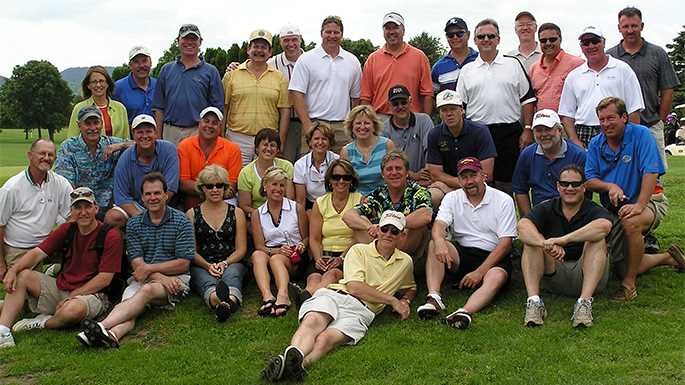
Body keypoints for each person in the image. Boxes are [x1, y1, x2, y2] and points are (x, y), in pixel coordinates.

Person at [262, 210, 416, 382]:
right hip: (336, 295)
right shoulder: (359, 250)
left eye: (394, 231)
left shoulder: (405, 261)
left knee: (326, 339)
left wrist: (405, 300)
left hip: (361, 312)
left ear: (402, 235)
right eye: (385, 228)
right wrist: (392, 300)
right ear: (377, 230)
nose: (388, 234)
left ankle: (296, 366)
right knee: (312, 321)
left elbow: (410, 286)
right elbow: (354, 287)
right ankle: (294, 356)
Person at [78, 173, 194, 348]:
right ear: (142, 197)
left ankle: (101, 326)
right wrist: (159, 276)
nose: (152, 198)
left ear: (165, 195)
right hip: (146, 279)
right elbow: (137, 265)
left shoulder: (181, 221)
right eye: (148, 194)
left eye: (157, 193)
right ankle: (112, 335)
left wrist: (150, 271)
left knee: (145, 291)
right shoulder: (134, 224)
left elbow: (183, 263)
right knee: (128, 306)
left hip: (176, 281)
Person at [0, 188, 123, 348]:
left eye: (87, 206)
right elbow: (37, 253)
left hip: (93, 295)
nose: (83, 212)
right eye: (77, 208)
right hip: (62, 287)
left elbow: (104, 279)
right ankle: (3, 331)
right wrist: (12, 270)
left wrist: (73, 295)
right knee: (22, 276)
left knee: (72, 311)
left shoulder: (110, 235)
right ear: (71, 211)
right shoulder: (67, 230)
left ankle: (43, 322)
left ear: (96, 208)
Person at [585, 97, 680, 301]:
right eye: (601, 119)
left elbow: (651, 171)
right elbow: (589, 180)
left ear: (625, 117)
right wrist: (610, 186)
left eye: (611, 118)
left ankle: (629, 285)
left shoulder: (641, 135)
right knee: (620, 266)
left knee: (632, 221)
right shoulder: (595, 144)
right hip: (615, 209)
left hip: (651, 200)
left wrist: (639, 205)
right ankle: (667, 258)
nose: (605, 124)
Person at [418, 157, 516, 329]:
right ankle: (433, 298)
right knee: (434, 244)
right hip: (463, 252)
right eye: (464, 177)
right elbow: (439, 224)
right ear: (459, 180)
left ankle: (464, 312)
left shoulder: (503, 199)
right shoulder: (452, 198)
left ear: (483, 175)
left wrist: (479, 272)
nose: (469, 181)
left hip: (494, 254)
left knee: (496, 276)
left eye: (473, 175)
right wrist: (440, 241)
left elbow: (506, 243)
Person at [518, 165, 613, 328]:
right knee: (531, 241)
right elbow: (522, 226)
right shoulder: (547, 207)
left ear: (584, 187)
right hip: (552, 273)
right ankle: (534, 302)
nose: (569, 188)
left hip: (586, 276)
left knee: (597, 240)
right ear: (558, 186)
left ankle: (584, 304)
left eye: (575, 184)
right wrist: (545, 243)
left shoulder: (593, 209)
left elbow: (604, 226)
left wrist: (562, 240)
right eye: (564, 184)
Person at [455, 18, 536, 193]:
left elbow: (528, 100)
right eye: (481, 36)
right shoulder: (467, 70)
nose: (486, 40)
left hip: (509, 133)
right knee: (479, 182)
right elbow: (459, 106)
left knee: (508, 185)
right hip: (478, 133)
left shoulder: (513, 64)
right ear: (475, 40)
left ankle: (508, 220)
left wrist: (528, 128)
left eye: (490, 36)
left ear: (498, 39)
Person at [607, 7, 680, 170]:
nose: (630, 30)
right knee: (622, 172)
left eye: (634, 25)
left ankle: (655, 196)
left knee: (654, 173)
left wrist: (660, 119)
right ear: (619, 28)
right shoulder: (610, 56)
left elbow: (668, 89)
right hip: (619, 128)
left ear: (642, 26)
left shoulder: (658, 53)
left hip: (651, 124)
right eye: (625, 26)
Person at [292, 159, 362, 307]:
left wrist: (341, 258)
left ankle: (306, 298)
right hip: (324, 253)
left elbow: (358, 237)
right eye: (336, 177)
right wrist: (318, 259)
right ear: (329, 180)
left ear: (351, 180)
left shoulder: (360, 200)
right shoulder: (320, 202)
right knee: (314, 278)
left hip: (348, 255)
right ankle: (309, 295)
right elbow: (315, 238)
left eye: (346, 177)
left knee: (331, 275)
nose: (341, 181)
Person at [558, 26, 644, 148]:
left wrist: (630, 140)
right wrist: (574, 140)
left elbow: (634, 109)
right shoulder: (574, 76)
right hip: (584, 132)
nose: (591, 46)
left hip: (617, 130)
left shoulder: (623, 69)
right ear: (581, 47)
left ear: (603, 43)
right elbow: (567, 114)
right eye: (586, 43)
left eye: (595, 41)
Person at [0, 139, 72, 280]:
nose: (46, 158)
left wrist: (57, 235)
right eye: (42, 153)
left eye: (50, 155)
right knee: (25, 295)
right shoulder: (12, 188)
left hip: (48, 247)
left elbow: (74, 215)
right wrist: (1, 264)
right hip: (19, 250)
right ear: (30, 155)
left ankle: (54, 271)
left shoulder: (61, 183)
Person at [289, 16, 362, 153]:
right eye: (328, 32)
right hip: (315, 125)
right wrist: (308, 126)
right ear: (321, 33)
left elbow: (355, 98)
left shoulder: (353, 61)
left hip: (342, 128)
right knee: (311, 171)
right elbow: (296, 94)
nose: (332, 36)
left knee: (343, 171)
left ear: (342, 34)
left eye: (336, 32)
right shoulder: (306, 59)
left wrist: (351, 126)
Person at [343, 150, 432, 257]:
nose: (394, 173)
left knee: (418, 226)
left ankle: (390, 262)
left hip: (408, 251)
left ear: (407, 172)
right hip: (381, 247)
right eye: (389, 169)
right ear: (383, 174)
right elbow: (348, 216)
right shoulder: (378, 194)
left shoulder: (418, 191)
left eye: (398, 168)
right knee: (361, 220)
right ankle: (380, 261)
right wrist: (369, 227)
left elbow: (426, 215)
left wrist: (392, 224)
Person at [187, 165, 247, 322]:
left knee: (232, 276)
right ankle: (221, 303)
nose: (215, 189)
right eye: (209, 186)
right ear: (202, 188)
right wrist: (208, 266)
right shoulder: (192, 214)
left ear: (225, 188)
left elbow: (241, 249)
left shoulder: (237, 212)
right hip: (202, 263)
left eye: (220, 185)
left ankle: (228, 302)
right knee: (205, 282)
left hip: (231, 260)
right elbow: (191, 250)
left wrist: (224, 263)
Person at [223, 29, 289, 165]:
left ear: (270, 52)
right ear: (248, 49)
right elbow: (224, 108)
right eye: (256, 46)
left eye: (263, 47)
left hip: (268, 140)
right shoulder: (232, 75)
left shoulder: (280, 78)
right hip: (238, 139)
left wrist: (280, 140)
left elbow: (285, 111)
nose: (259, 50)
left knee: (266, 181)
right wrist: (221, 137)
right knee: (237, 181)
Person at [152, 24, 224, 145]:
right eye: (185, 38)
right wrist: (158, 137)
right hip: (170, 132)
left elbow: (218, 109)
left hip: (199, 131)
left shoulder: (211, 72)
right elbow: (159, 108)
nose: (189, 42)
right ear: (177, 41)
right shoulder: (166, 70)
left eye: (194, 39)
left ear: (200, 42)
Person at [251, 168, 308, 317]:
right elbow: (259, 245)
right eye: (274, 184)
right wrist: (277, 250)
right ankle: (267, 296)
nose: (278, 189)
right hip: (271, 252)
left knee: (276, 259)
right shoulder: (257, 213)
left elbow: (307, 237)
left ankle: (283, 296)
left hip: (294, 256)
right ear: (265, 186)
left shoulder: (296, 208)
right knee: (257, 255)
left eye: (282, 185)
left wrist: (302, 244)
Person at [56, 106, 133, 215]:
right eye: (88, 124)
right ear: (79, 125)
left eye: (96, 123)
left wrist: (121, 145)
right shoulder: (68, 147)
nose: (93, 128)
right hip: (81, 207)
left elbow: (140, 145)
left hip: (109, 208)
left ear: (101, 124)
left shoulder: (111, 143)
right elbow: (66, 184)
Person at [425, 89, 496, 207]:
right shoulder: (434, 134)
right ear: (439, 113)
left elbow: (487, 174)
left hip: (477, 185)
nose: (449, 113)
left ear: (461, 110)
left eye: (453, 108)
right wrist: (452, 188)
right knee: (432, 196)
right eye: (444, 110)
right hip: (448, 186)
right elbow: (435, 173)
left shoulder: (480, 131)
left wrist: (456, 187)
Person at [106, 114, 179, 227]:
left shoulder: (169, 150)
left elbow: (171, 187)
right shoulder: (125, 158)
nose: (144, 136)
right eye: (140, 132)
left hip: (165, 203)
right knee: (112, 217)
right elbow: (121, 196)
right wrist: (142, 217)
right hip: (136, 205)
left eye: (148, 131)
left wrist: (155, 211)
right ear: (133, 135)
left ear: (155, 133)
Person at [512, 109, 586, 217]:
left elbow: (585, 192)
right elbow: (520, 190)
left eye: (548, 129)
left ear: (559, 130)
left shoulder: (578, 155)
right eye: (538, 130)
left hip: (572, 213)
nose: (543, 134)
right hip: (540, 214)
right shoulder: (527, 154)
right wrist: (529, 219)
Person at [361, 12, 433, 119]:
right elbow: (365, 97)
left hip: (411, 118)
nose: (391, 32)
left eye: (395, 28)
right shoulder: (372, 59)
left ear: (403, 30)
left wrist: (425, 121)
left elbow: (427, 94)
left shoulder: (419, 57)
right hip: (381, 118)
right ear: (383, 31)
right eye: (388, 28)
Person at [177, 106, 241, 210]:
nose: (210, 126)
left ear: (220, 127)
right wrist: (214, 189)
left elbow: (232, 188)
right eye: (206, 121)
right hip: (191, 206)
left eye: (214, 123)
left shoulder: (233, 149)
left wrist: (205, 189)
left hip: (223, 205)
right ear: (199, 124)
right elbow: (184, 184)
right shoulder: (184, 146)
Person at [237, 128, 294, 219]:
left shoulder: (287, 167)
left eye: (273, 145)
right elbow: (244, 205)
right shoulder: (245, 173)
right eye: (265, 145)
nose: (269, 149)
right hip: (257, 216)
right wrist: (265, 215)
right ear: (257, 148)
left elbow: (289, 198)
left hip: (283, 214)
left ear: (278, 150)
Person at [268, 24, 305, 161]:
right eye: (286, 40)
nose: (291, 44)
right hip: (284, 123)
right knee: (285, 162)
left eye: (294, 40)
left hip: (308, 121)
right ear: (280, 42)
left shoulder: (311, 60)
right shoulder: (272, 63)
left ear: (300, 40)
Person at [382, 85, 433, 184]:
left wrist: (426, 174)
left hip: (425, 180)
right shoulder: (384, 129)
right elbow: (386, 162)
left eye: (404, 102)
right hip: (396, 181)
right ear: (389, 105)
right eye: (395, 104)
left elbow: (431, 151)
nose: (400, 107)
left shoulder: (424, 120)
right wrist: (412, 175)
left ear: (410, 101)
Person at [528, 23, 584, 112]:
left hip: (569, 123)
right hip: (541, 123)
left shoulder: (577, 64)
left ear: (560, 39)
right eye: (543, 40)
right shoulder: (533, 69)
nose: (548, 43)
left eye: (552, 39)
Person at [340, 105, 395, 195]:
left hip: (385, 197)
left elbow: (394, 176)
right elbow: (345, 183)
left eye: (366, 123)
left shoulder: (387, 145)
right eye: (358, 123)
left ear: (374, 125)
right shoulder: (346, 152)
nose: (362, 127)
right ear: (351, 127)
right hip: (357, 200)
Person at [67, 66, 129, 139]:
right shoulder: (79, 108)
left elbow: (126, 139)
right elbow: (71, 138)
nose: (98, 85)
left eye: (101, 81)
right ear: (88, 85)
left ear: (107, 84)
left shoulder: (120, 108)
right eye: (94, 82)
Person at [293, 123, 340, 210]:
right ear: (310, 142)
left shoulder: (337, 161)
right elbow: (300, 200)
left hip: (333, 205)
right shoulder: (300, 165)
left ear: (330, 142)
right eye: (316, 139)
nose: (320, 142)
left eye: (324, 139)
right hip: (311, 206)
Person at [431, 17, 479, 93]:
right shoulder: (438, 68)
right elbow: (434, 97)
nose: (455, 37)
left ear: (468, 35)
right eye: (450, 35)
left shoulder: (480, 59)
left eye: (460, 33)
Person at [113, 46, 158, 125]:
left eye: (144, 61)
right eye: (136, 62)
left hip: (155, 135)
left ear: (151, 63)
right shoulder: (118, 88)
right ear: (130, 65)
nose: (141, 65)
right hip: (129, 136)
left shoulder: (159, 85)